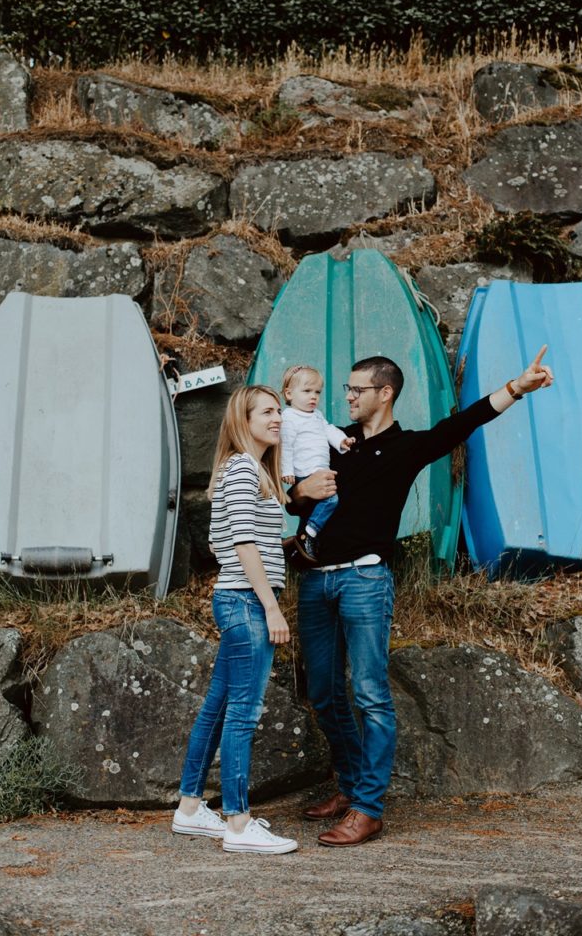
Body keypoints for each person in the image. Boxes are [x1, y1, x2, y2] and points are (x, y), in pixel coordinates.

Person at [289, 347, 554, 847]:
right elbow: (293, 497)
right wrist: (302, 492)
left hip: (365, 581)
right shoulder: (332, 442)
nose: (348, 397)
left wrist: (517, 388)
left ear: (385, 393)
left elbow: (463, 423)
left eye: (357, 389)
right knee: (323, 693)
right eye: (347, 389)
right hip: (316, 581)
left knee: (370, 694)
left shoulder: (406, 447)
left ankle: (368, 809)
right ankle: (350, 787)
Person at [173, 385, 298, 855]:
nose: (277, 418)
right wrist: (271, 606)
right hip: (247, 602)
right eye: (267, 412)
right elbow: (243, 542)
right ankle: (239, 824)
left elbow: (222, 540)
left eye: (279, 411)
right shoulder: (244, 468)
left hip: (236, 598)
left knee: (218, 707)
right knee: (242, 713)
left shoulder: (241, 469)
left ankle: (190, 808)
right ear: (242, 421)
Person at [280, 364, 355, 563]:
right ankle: (308, 534)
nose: (313, 397)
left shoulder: (317, 415)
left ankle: (303, 541)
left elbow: (329, 430)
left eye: (317, 392)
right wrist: (287, 470)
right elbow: (285, 445)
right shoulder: (289, 417)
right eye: (307, 391)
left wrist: (342, 440)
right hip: (305, 470)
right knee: (330, 500)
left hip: (320, 469)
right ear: (289, 394)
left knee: (322, 502)